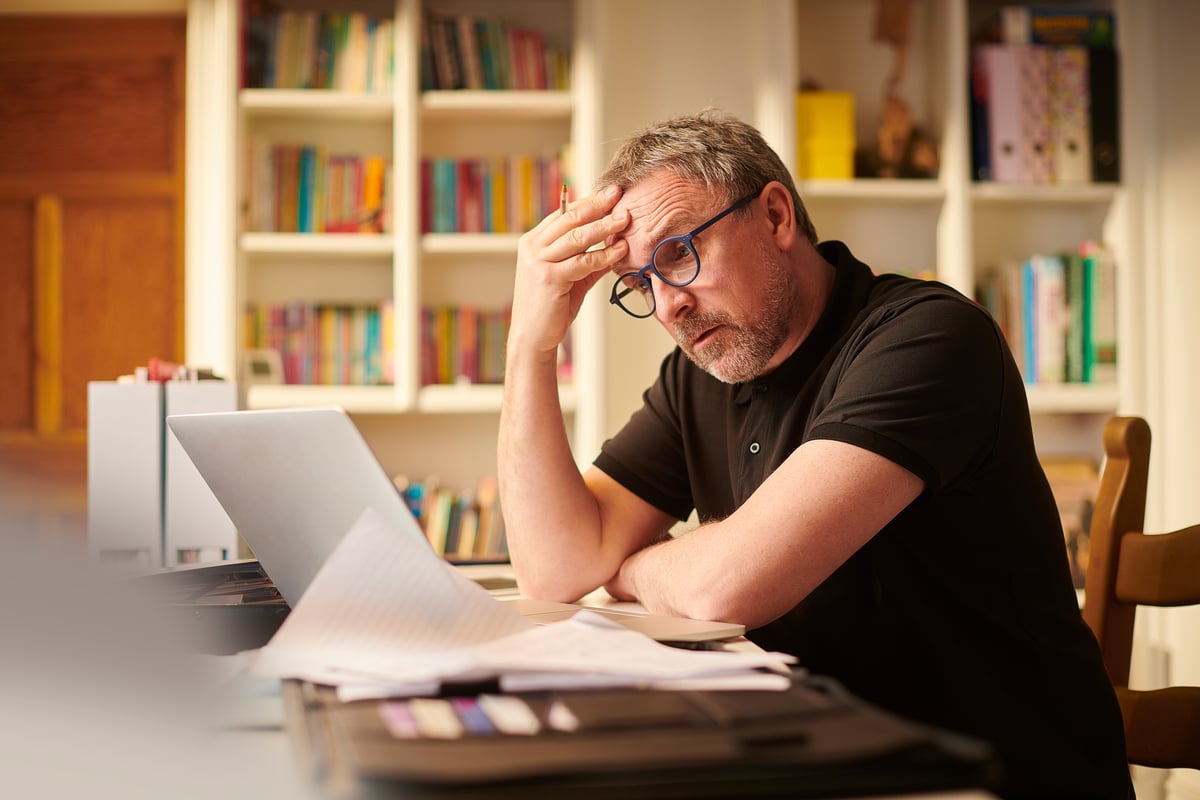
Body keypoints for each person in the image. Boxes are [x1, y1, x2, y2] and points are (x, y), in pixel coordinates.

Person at [498, 109, 1131, 799]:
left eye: (678, 253)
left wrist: (633, 565)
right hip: (828, 763)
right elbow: (554, 569)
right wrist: (529, 345)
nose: (666, 308)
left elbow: (725, 587)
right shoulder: (702, 373)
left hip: (993, 780)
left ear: (775, 216)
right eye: (641, 283)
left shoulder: (930, 339)